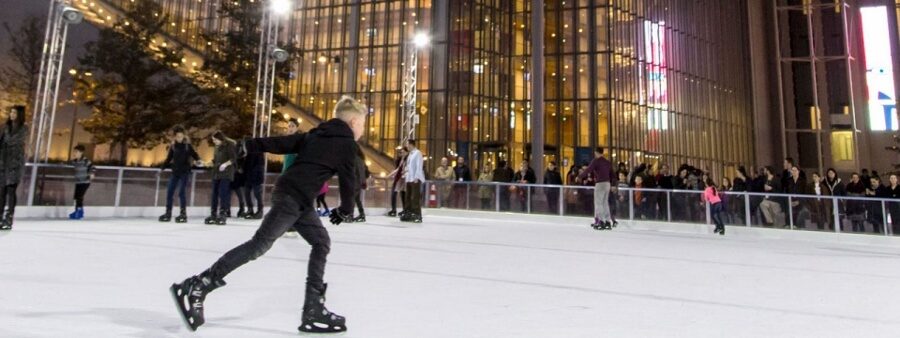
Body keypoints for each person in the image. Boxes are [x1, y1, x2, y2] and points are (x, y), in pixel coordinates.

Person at [170, 96, 366, 333]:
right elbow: (349, 180)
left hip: (298, 199)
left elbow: (283, 143)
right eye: (363, 124)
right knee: (259, 245)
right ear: (354, 122)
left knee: (321, 242)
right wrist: (345, 210)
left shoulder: (316, 135)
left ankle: (313, 307)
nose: (362, 130)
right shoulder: (346, 144)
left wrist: (250, 145)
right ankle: (199, 285)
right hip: (292, 198)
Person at [159, 126, 200, 223]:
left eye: (181, 136)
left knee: (181, 193)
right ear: (175, 137)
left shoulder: (187, 146)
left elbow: (195, 155)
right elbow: (168, 158)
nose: (179, 138)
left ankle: (183, 213)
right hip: (175, 172)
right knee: (169, 192)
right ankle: (168, 213)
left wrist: (198, 160)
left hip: (185, 172)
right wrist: (162, 168)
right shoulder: (173, 146)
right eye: (177, 137)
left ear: (184, 136)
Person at [0, 105, 26, 230]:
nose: (12, 115)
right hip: (3, 164)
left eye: (14, 113)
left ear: (19, 115)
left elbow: (12, 141)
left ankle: (9, 218)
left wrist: (5, 138)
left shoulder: (24, 128)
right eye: (11, 112)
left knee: (11, 191)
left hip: (15, 165)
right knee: (1, 192)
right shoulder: (5, 127)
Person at [578, 147, 617, 230]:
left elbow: (588, 170)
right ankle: (607, 221)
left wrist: (580, 176)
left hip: (600, 183)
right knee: (605, 203)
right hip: (607, 184)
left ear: (596, 152)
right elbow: (613, 174)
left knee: (598, 203)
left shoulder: (596, 161)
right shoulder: (607, 162)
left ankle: (601, 221)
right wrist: (613, 185)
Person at [205, 131, 237, 225]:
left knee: (223, 193)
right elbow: (215, 160)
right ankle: (213, 214)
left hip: (226, 174)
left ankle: (223, 213)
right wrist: (207, 163)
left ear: (220, 138)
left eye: (215, 140)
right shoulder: (216, 147)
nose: (214, 141)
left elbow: (233, 159)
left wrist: (225, 164)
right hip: (216, 173)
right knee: (214, 194)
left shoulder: (229, 145)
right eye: (213, 140)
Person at [68, 145, 95, 220]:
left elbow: (92, 167)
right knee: (76, 197)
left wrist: (91, 173)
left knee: (79, 196)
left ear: (81, 152)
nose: (74, 153)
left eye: (76, 152)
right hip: (78, 182)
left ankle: (79, 212)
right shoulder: (75, 161)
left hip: (85, 182)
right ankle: (78, 211)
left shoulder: (85, 161)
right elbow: (69, 164)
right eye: (74, 151)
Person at [402, 139, 425, 223]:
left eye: (407, 144)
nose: (406, 146)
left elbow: (419, 166)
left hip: (415, 179)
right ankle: (409, 213)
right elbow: (409, 166)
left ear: (411, 144)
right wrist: (405, 173)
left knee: (415, 197)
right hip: (409, 178)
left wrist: (416, 177)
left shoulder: (417, 153)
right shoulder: (410, 154)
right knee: (408, 197)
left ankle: (417, 215)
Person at [242, 150, 266, 220]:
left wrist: (257, 176)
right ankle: (250, 210)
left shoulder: (259, 152)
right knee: (246, 193)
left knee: (257, 194)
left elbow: (260, 166)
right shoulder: (248, 152)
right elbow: (246, 164)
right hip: (248, 176)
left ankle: (260, 211)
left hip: (256, 177)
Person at [349, 147, 370, 223]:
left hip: (356, 182)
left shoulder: (355, 159)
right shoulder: (361, 159)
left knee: (352, 199)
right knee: (357, 200)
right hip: (359, 182)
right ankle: (362, 215)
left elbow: (358, 172)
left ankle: (350, 215)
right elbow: (364, 172)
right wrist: (363, 182)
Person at [385, 147, 408, 217]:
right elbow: (398, 169)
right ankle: (395, 210)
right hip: (399, 179)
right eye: (401, 152)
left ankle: (403, 210)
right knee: (396, 193)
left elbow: (404, 169)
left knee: (402, 194)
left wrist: (404, 172)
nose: (401, 154)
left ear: (407, 152)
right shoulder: (402, 160)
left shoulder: (407, 159)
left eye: (403, 152)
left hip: (403, 179)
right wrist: (390, 175)